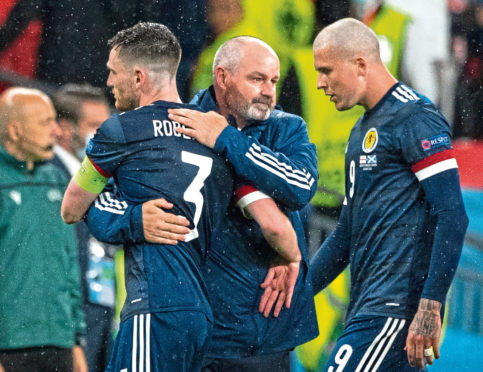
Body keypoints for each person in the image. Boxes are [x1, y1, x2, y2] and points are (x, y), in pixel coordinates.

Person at [61, 24, 302, 372]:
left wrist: (132, 219)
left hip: (154, 307)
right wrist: (291, 257)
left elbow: (71, 208)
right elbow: (275, 225)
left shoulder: (121, 131)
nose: (109, 82)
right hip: (202, 320)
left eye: (114, 72)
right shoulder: (216, 138)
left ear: (139, 76)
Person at [309, 18, 469, 371]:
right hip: (366, 308)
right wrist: (299, 293)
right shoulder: (361, 130)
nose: (320, 83)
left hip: (396, 311)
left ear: (360, 64)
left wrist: (430, 305)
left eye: (326, 70)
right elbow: (346, 233)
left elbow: (452, 215)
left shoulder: (415, 116)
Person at [0, 87, 87, 372]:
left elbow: (69, 264)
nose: (55, 131)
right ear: (14, 131)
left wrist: (75, 338)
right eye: (43, 122)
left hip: (59, 342)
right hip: (10, 345)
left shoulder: (57, 180)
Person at [51, 83, 116, 372]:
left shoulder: (99, 178)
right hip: (68, 314)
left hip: (101, 302)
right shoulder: (50, 177)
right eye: (94, 126)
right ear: (65, 129)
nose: (103, 135)